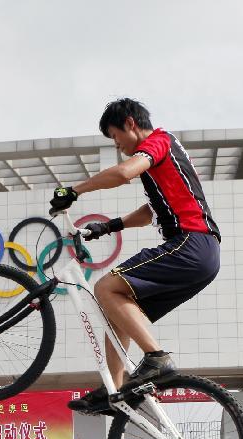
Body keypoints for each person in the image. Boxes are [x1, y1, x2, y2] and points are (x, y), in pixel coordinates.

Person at [54, 100, 220, 414]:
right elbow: (152, 211)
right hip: (200, 254)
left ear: (131, 123)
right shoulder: (164, 163)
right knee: (116, 307)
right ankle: (113, 390)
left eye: (116, 137)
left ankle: (157, 359)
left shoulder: (159, 142)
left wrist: (75, 190)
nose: (118, 146)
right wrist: (108, 227)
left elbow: (123, 173)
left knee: (105, 287)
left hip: (192, 244)